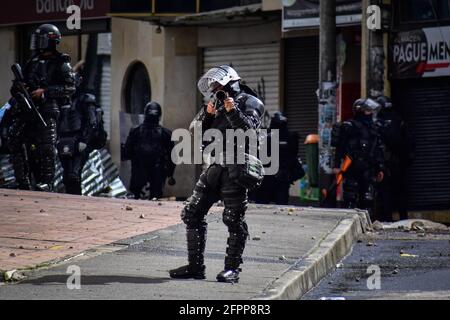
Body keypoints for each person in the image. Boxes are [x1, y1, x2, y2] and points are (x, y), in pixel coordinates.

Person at [169, 65, 264, 283]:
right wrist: (208, 115)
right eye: (213, 87)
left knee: (233, 219)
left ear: (231, 82)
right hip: (215, 166)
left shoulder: (250, 102)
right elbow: (196, 132)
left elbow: (249, 130)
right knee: (191, 214)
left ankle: (232, 269)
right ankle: (195, 267)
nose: (216, 90)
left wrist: (232, 110)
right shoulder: (214, 105)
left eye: (219, 86)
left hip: (237, 167)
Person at [8, 24, 75, 191]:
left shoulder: (61, 63)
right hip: (26, 108)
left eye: (41, 39)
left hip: (47, 109)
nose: (37, 43)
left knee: (47, 147)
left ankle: (47, 182)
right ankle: (23, 180)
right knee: (14, 138)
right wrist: (20, 88)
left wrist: (45, 91)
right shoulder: (32, 61)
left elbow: (69, 88)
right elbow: (16, 86)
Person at [331, 98, 385, 215]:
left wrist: (380, 168)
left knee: (368, 200)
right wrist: (336, 166)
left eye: (371, 110)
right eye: (367, 110)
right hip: (352, 168)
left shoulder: (373, 128)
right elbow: (340, 147)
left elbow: (377, 149)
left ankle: (366, 226)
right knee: (350, 199)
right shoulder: (349, 126)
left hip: (368, 169)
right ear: (360, 110)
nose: (370, 113)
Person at [57, 61, 103, 195]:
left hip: (78, 141)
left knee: (74, 174)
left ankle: (76, 199)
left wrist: (84, 139)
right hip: (64, 140)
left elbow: (92, 122)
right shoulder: (63, 100)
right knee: (67, 176)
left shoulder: (85, 99)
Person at [121, 101, 176, 200]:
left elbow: (127, 152)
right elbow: (173, 157)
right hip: (157, 173)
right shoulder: (166, 133)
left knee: (135, 198)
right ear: (159, 115)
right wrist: (170, 174)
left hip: (138, 172)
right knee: (155, 199)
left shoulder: (135, 131)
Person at [375, 95, 414, 221]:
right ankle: (403, 217)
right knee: (400, 191)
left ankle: (387, 218)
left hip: (386, 164)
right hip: (400, 163)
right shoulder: (399, 120)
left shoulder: (379, 123)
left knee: (385, 192)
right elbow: (409, 141)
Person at [252, 111, 303, 205]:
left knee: (270, 204)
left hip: (277, 178)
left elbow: (292, 156)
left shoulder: (289, 137)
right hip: (270, 178)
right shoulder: (288, 136)